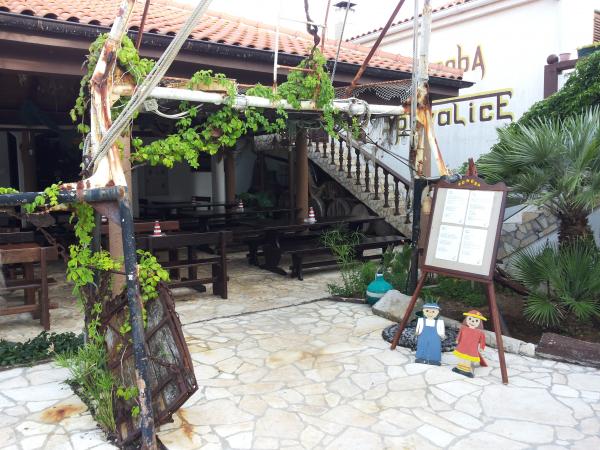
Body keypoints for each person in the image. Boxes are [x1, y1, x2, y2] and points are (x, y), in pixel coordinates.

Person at [452, 310, 487, 378]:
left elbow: (482, 341)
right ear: (466, 319)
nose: (472, 321)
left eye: (476, 320)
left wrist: (481, 347)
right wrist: (457, 340)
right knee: (461, 357)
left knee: (468, 359)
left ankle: (466, 369)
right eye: (470, 319)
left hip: (471, 348)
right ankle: (459, 367)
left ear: (479, 322)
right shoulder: (463, 328)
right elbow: (460, 334)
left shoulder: (480, 333)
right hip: (462, 346)